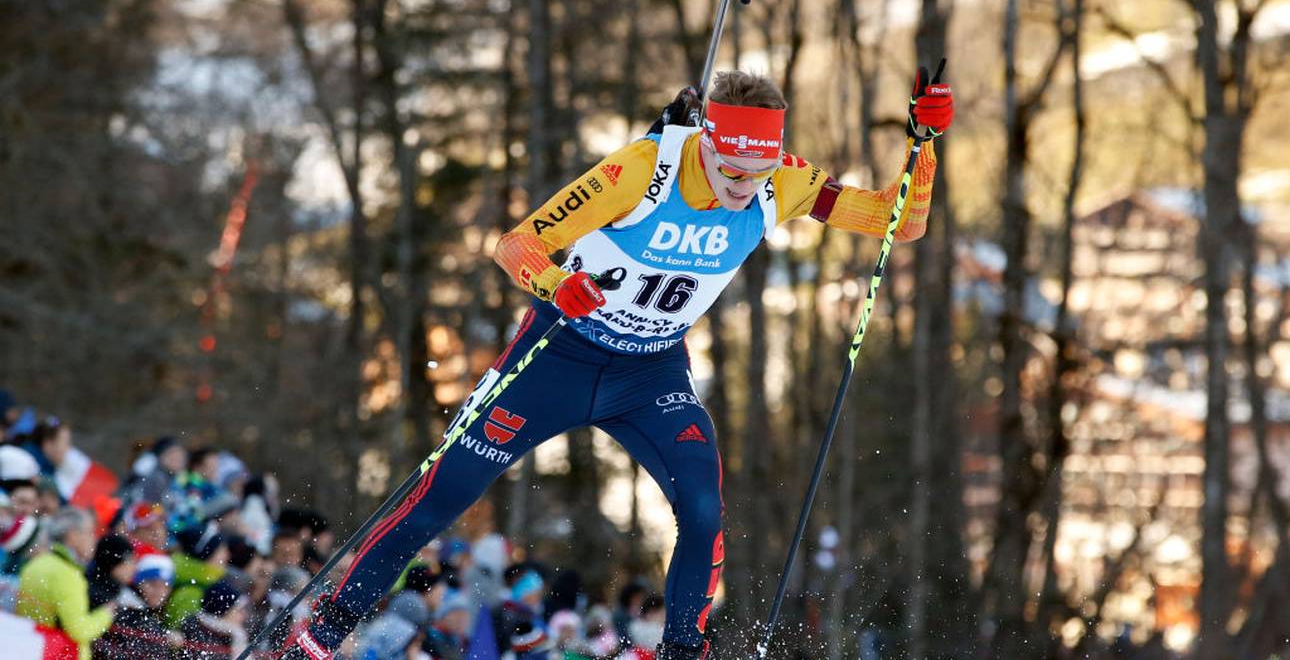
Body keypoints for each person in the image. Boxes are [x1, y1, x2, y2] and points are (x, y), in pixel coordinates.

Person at [280, 69, 953, 660]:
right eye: (732, 174)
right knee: (442, 498)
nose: (746, 189)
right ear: (708, 144)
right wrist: (555, 285)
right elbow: (515, 246)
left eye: (759, 173)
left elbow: (901, 223)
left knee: (701, 508)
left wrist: (922, 150)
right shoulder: (642, 170)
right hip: (558, 356)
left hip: (648, 375)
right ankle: (323, 631)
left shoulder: (783, 179)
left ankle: (684, 649)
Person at [16, 507, 115, 660]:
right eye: (89, 533)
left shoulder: (35, 564)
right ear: (73, 536)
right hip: (60, 654)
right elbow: (79, 630)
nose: (94, 539)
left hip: (31, 650)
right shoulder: (67, 575)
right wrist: (106, 614)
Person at [92, 554, 180, 660]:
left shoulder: (147, 612)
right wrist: (163, 638)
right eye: (153, 584)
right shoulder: (123, 608)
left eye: (165, 586)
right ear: (138, 583)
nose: (159, 592)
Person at [178, 579, 249, 659]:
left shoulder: (235, 637)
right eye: (239, 610)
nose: (244, 615)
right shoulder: (192, 632)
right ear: (223, 611)